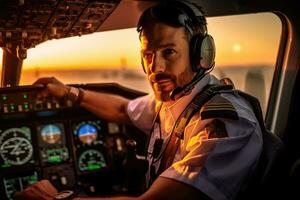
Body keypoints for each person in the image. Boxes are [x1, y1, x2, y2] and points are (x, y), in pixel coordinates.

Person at [14, 0, 263, 200]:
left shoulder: (225, 124)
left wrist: (58, 198)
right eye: (148, 54)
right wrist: (69, 92)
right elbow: (124, 109)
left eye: (169, 52)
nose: (155, 67)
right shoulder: (173, 101)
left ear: (201, 53)